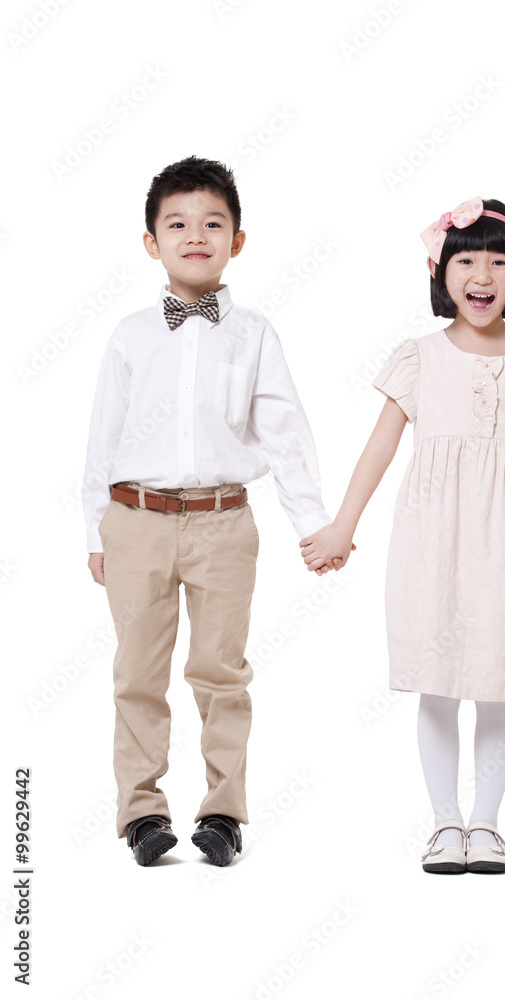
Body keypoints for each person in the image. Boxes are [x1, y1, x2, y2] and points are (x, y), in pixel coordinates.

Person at [299, 197, 505, 875]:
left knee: (497, 678)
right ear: (440, 270)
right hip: (432, 539)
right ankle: (442, 825)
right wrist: (342, 525)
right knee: (437, 681)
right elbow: (378, 449)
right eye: (465, 259)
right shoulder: (419, 357)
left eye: (497, 260)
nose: (481, 274)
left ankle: (485, 825)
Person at [83, 155, 337, 866]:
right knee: (137, 670)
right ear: (150, 242)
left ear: (237, 240)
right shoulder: (130, 335)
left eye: (212, 222)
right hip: (134, 520)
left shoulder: (253, 335)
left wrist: (312, 523)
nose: (195, 234)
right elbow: (103, 439)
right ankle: (141, 813)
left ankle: (222, 813)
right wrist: (93, 527)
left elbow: (285, 432)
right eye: (177, 223)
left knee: (221, 669)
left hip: (226, 522)